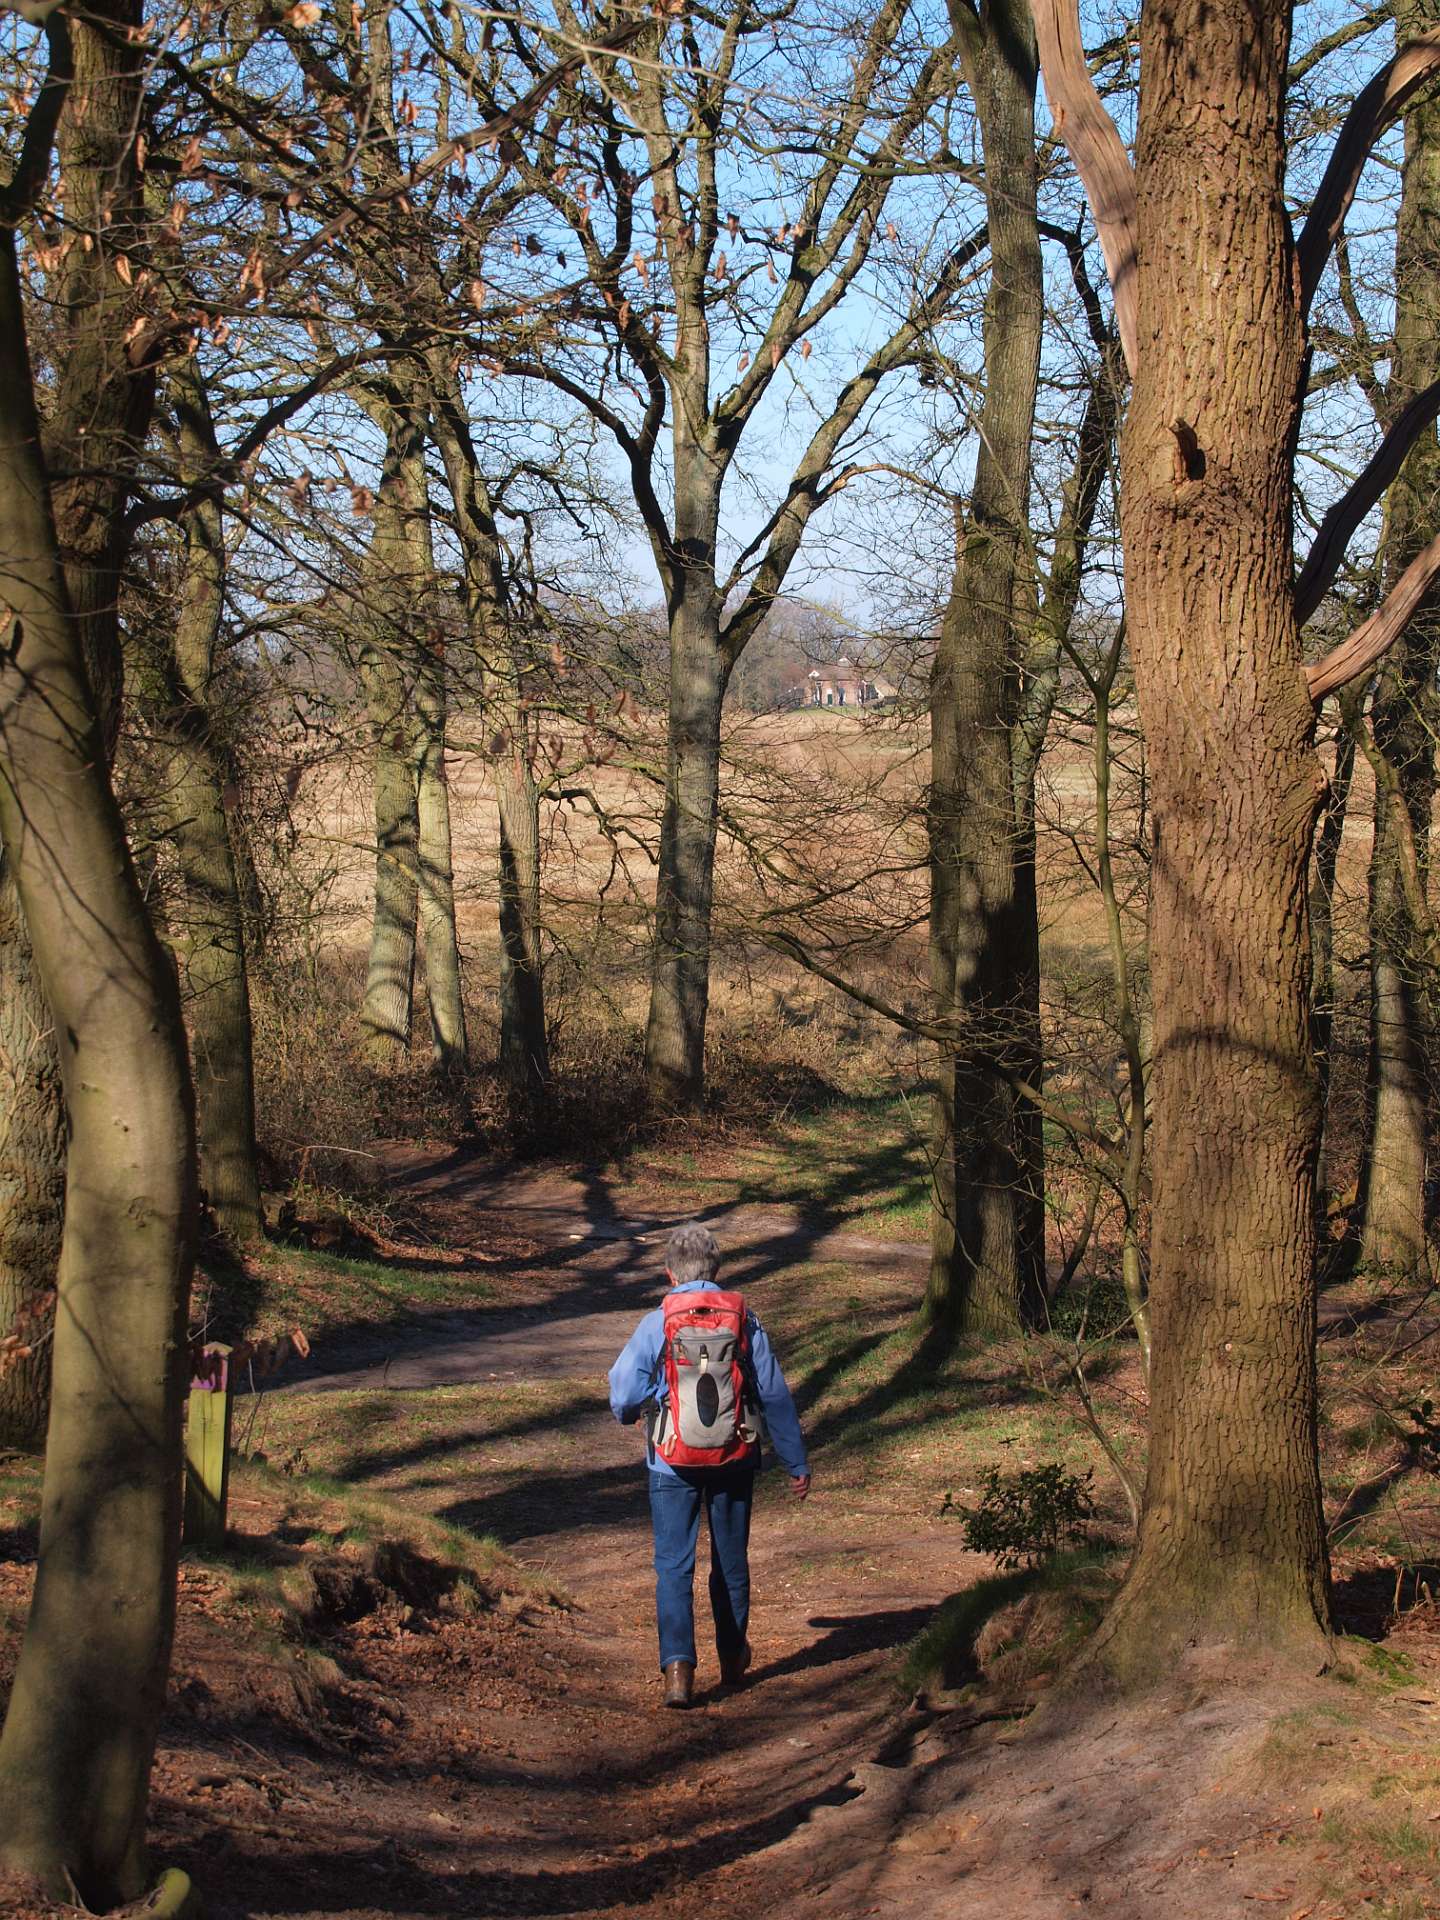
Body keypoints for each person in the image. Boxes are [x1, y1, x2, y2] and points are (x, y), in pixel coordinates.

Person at [608, 1222, 811, 1708]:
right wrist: (795, 1461)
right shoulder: (745, 1320)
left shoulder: (657, 1321)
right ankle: (733, 1658)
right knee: (731, 1560)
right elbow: (774, 1394)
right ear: (716, 1269)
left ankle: (678, 1671)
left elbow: (625, 1390)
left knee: (673, 1566)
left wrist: (631, 1414)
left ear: (669, 1273)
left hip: (670, 1461)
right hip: (734, 1456)